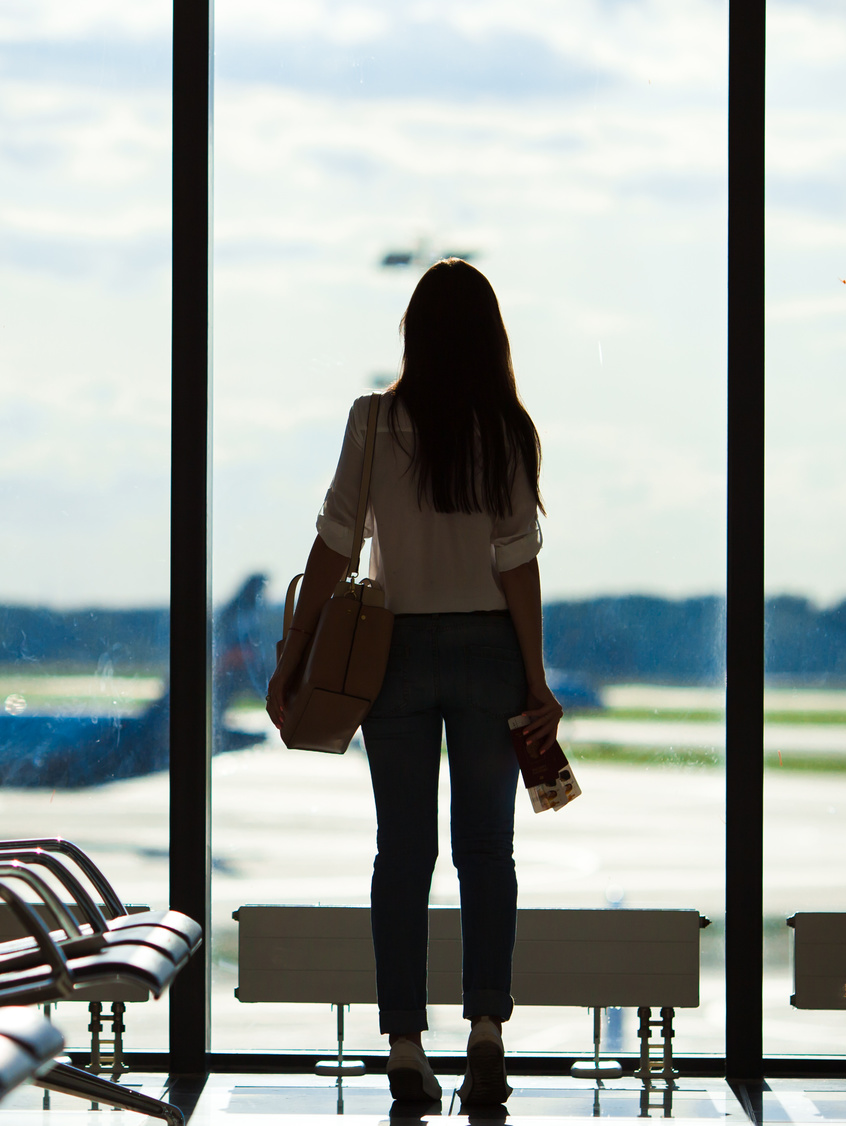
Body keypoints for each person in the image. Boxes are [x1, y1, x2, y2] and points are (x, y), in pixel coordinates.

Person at [265, 258, 562, 1107]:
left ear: (414, 336)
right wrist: (536, 682)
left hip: (391, 654)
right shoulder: (505, 430)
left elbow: (335, 545)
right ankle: (487, 1034)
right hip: (486, 653)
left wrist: (293, 659)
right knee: (486, 853)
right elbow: (518, 566)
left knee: (403, 853)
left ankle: (403, 1048)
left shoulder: (373, 421)